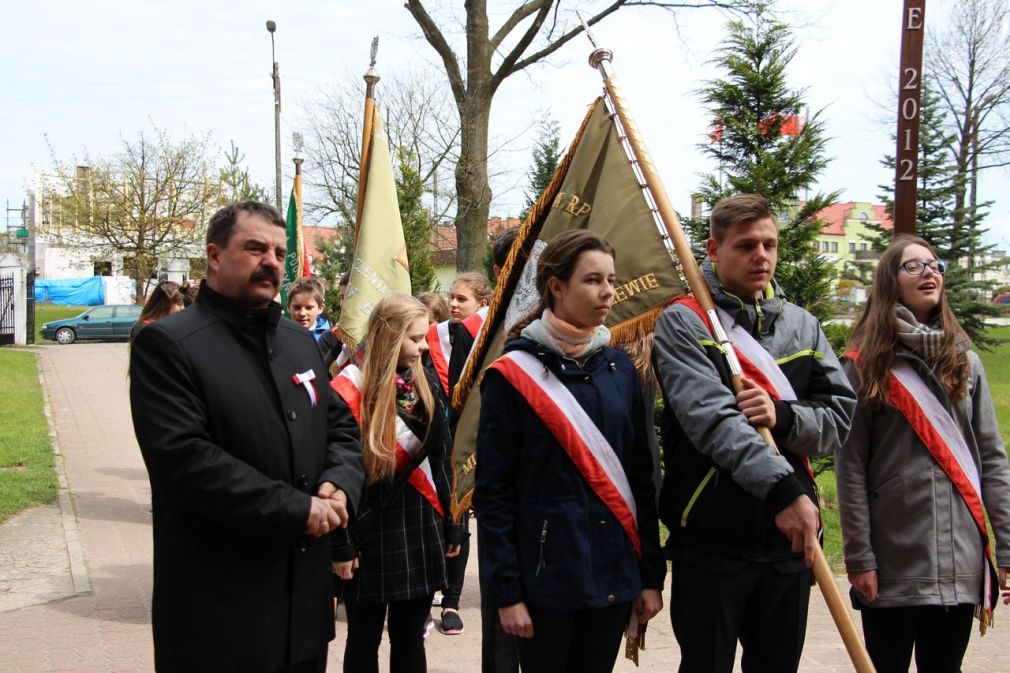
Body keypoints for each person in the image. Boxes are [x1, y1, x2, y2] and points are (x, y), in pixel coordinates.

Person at [129, 200, 364, 673]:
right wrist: (301, 510)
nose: (271, 261)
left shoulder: (300, 343)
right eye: (255, 248)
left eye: (279, 252)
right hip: (221, 614)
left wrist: (338, 484)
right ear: (215, 256)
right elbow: (186, 463)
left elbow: (339, 426)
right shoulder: (169, 346)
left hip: (303, 611)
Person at [651, 193, 855, 673]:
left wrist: (784, 417)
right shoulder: (683, 322)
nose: (760, 256)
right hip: (712, 535)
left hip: (788, 542)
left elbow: (839, 421)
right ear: (714, 249)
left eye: (769, 244)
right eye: (745, 245)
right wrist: (784, 491)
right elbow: (713, 421)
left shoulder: (804, 327)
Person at [475, 230, 665, 673]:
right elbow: (494, 493)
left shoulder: (621, 370)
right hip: (546, 583)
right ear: (556, 287)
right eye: (593, 280)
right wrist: (508, 593)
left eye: (612, 280)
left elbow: (642, 478)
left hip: (614, 578)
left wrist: (650, 577)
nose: (608, 292)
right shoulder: (511, 375)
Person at [836, 235, 1010, 673]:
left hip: (960, 560)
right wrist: (859, 558)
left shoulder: (964, 362)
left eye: (935, 264)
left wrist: (1006, 551)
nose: (930, 271)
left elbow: (992, 459)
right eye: (913, 266)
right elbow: (850, 467)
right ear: (889, 282)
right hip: (893, 560)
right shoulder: (863, 363)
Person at [330, 292, 465, 673]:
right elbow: (335, 474)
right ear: (389, 336)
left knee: (409, 640)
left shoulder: (425, 384)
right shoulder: (349, 388)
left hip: (420, 524)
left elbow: (442, 457)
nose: (424, 347)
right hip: (366, 531)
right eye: (416, 338)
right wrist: (341, 544)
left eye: (425, 337)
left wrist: (454, 524)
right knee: (362, 638)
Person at [423, 270, 493, 635]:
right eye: (451, 297)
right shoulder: (434, 339)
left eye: (461, 299)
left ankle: (451, 601)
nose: (452, 303)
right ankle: (426, 594)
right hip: (438, 439)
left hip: (471, 442)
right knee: (434, 520)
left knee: (459, 523)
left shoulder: (493, 340)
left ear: (482, 304)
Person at [286, 277, 332, 341]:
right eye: (297, 307)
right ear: (288, 307)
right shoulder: (281, 335)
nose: (302, 313)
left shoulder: (329, 339)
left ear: (320, 308)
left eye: (309, 308)